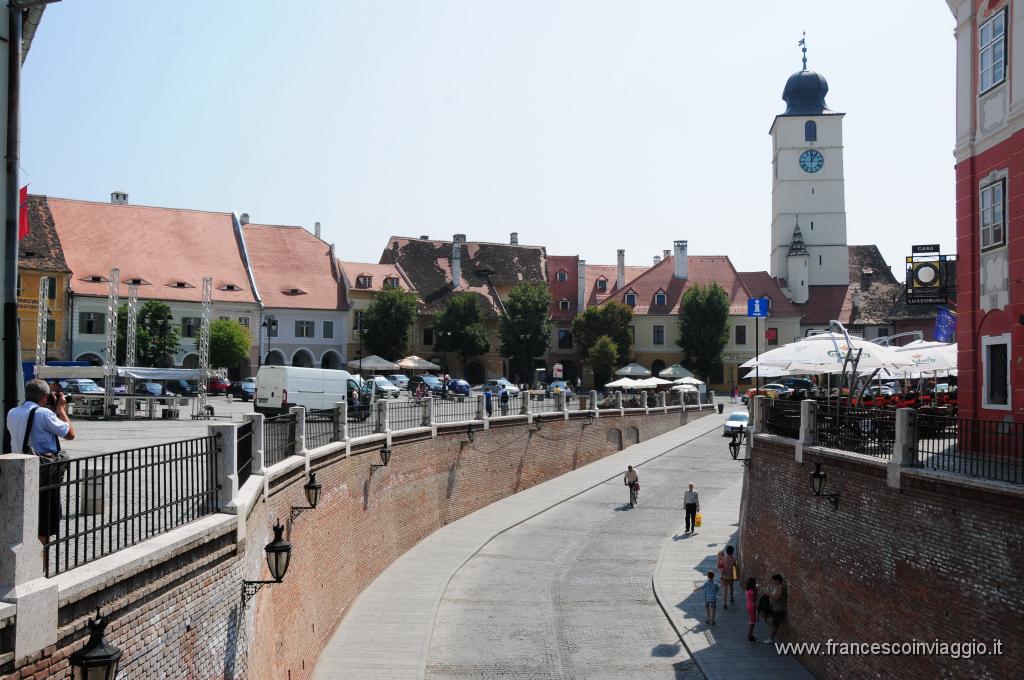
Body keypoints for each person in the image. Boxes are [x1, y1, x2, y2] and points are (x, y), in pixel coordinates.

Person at [6, 379, 76, 551]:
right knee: (44, 521)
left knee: (24, 515)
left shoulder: (12, 412)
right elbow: (70, 434)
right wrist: (60, 409)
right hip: (43, 472)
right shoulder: (44, 414)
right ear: (45, 397)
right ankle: (40, 566)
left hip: (18, 468)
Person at [763, 573, 787, 644]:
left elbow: (777, 597)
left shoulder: (781, 588)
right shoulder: (776, 587)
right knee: (773, 622)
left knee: (775, 624)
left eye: (774, 581)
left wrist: (769, 594)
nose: (772, 582)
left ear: (778, 580)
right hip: (774, 608)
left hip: (779, 609)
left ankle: (771, 638)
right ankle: (777, 637)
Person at [745, 576, 759, 642]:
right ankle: (750, 635)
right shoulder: (751, 592)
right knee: (752, 621)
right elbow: (755, 598)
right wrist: (756, 590)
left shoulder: (747, 590)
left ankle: (750, 635)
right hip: (752, 606)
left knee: (752, 620)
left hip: (748, 605)